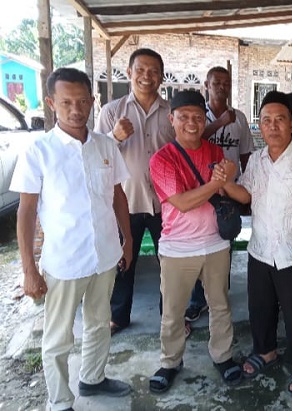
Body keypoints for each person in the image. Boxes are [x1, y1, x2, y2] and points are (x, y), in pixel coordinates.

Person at [11, 68, 132, 411]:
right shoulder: (39, 151)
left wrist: (127, 241)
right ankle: (60, 401)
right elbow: (26, 212)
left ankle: (92, 379)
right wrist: (29, 270)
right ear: (51, 104)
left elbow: (119, 195)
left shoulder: (106, 145)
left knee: (98, 323)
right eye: (66, 102)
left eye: (82, 101)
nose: (76, 109)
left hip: (105, 254)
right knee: (58, 337)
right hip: (64, 260)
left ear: (93, 102)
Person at [217, 91, 292, 396]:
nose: (273, 125)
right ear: (260, 126)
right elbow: (246, 195)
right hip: (261, 250)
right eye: (266, 120)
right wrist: (226, 184)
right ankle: (265, 351)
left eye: (280, 119)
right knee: (261, 308)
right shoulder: (256, 159)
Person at [147, 90, 241, 393]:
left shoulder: (215, 152)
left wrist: (228, 175)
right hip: (177, 249)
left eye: (198, 117)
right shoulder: (162, 159)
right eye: (184, 117)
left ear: (205, 120)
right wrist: (217, 182)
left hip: (215, 244)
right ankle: (170, 361)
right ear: (171, 119)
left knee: (220, 305)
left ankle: (223, 356)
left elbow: (226, 186)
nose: (192, 123)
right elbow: (183, 203)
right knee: (173, 311)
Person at [95, 48, 175, 335]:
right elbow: (95, 156)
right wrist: (113, 138)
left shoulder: (171, 113)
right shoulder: (112, 111)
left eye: (153, 71)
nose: (147, 76)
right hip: (126, 201)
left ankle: (172, 317)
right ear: (129, 73)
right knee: (123, 260)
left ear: (161, 77)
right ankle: (119, 316)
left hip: (166, 202)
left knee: (170, 263)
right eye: (140, 70)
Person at [185, 66, 255, 326]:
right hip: (200, 188)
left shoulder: (239, 118)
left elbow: (246, 152)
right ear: (207, 84)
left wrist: (249, 184)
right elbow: (190, 141)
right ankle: (196, 299)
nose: (222, 87)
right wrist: (219, 123)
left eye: (226, 83)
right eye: (217, 82)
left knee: (224, 241)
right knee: (198, 244)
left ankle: (219, 294)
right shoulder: (197, 115)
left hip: (229, 189)